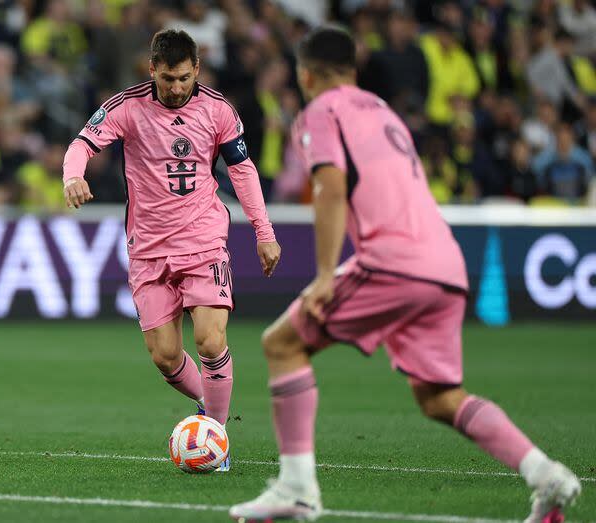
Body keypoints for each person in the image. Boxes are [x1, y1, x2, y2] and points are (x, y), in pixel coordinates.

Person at [229, 26, 581, 522]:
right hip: (445, 264)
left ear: (306, 74)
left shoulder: (321, 112)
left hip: (393, 261)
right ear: (353, 70)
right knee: (439, 398)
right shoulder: (382, 110)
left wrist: (326, 273)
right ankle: (547, 476)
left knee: (282, 344)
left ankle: (297, 490)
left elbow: (330, 186)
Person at [62, 29, 281, 472]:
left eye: (183, 78)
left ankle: (217, 439)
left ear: (196, 69)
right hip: (147, 248)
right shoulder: (127, 106)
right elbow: (81, 144)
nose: (177, 88)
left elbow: (242, 171)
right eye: (168, 79)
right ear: (152, 71)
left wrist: (264, 230)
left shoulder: (218, 110)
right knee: (164, 356)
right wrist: (72, 175)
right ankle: (209, 403)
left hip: (203, 240)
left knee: (210, 339)